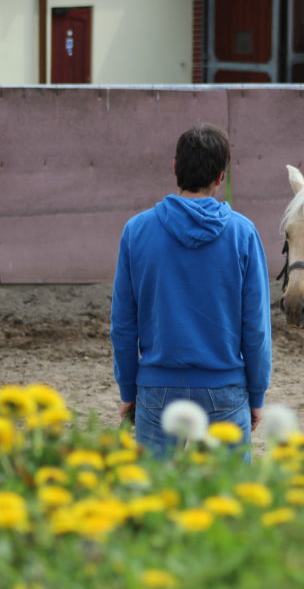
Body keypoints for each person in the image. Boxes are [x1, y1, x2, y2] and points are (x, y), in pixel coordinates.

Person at [110, 123, 272, 457]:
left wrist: (128, 388)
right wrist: (256, 394)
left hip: (156, 390)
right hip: (225, 389)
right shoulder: (243, 234)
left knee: (151, 498)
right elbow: (255, 327)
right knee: (227, 500)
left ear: (175, 168)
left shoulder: (136, 231)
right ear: (220, 177)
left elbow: (123, 324)